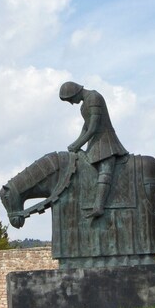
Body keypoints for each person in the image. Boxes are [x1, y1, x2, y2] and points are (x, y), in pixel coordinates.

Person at [60, 81, 129, 219]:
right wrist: (75, 144)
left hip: (105, 141)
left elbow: (93, 127)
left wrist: (78, 144)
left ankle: (99, 206)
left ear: (74, 93)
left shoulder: (94, 98)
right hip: (94, 143)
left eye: (70, 100)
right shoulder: (84, 105)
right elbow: (85, 127)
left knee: (105, 170)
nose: (72, 103)